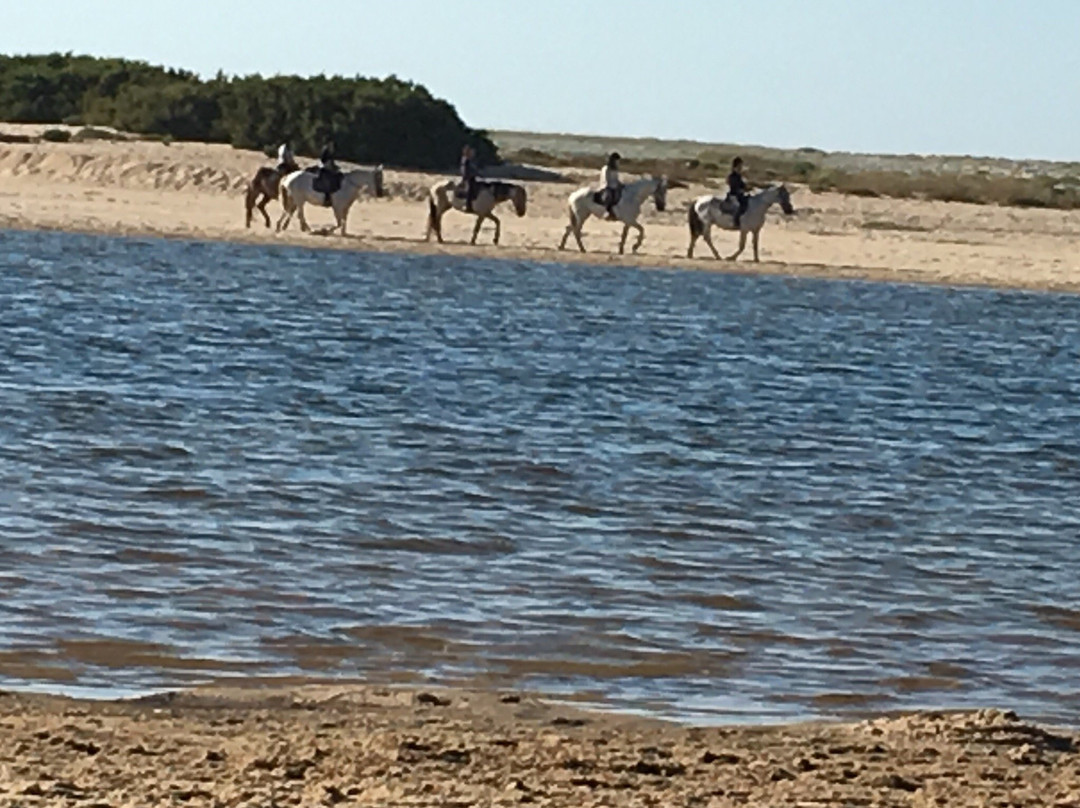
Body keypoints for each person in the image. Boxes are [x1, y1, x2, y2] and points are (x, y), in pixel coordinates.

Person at [727, 156, 749, 228]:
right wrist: (741, 190)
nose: (741, 168)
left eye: (741, 166)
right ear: (735, 166)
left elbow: (743, 185)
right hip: (733, 195)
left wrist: (748, 188)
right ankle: (736, 222)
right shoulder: (731, 176)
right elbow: (733, 187)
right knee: (738, 206)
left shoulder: (739, 176)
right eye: (740, 166)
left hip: (740, 195)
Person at [600, 152, 622, 220]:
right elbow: (605, 178)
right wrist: (609, 186)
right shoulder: (606, 168)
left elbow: (616, 179)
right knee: (610, 196)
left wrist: (620, 184)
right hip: (606, 186)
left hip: (614, 186)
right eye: (617, 161)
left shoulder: (615, 169)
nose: (618, 162)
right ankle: (608, 212)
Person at [459, 144, 479, 212]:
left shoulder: (472, 160)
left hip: (472, 177)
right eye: (472, 152)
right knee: (469, 190)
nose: (473, 153)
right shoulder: (466, 160)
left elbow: (474, 169)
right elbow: (464, 170)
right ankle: (467, 206)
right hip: (467, 178)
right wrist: (465, 178)